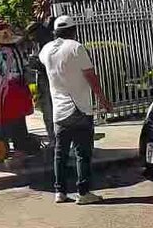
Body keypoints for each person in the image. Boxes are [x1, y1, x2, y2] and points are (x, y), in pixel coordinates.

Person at [39, 15, 113, 204]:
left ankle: (60, 192)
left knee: (60, 153)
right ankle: (83, 193)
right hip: (79, 108)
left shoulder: (46, 50)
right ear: (74, 30)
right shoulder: (76, 47)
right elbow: (91, 77)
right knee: (82, 153)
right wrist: (104, 100)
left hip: (59, 111)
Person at [26, 18, 56, 145]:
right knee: (47, 112)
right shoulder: (38, 44)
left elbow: (49, 64)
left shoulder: (48, 44)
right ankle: (53, 138)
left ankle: (55, 139)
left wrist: (34, 63)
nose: (32, 39)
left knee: (50, 112)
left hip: (50, 81)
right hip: (43, 81)